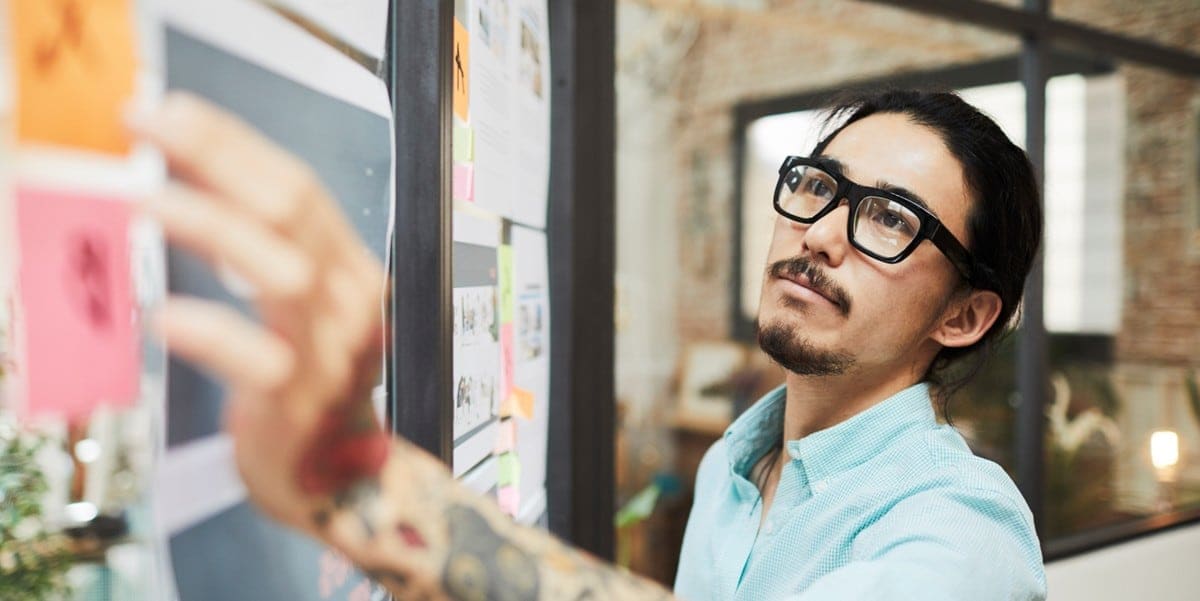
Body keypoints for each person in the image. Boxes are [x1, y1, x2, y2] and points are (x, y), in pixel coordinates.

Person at [133, 87, 1045, 600]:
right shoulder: (741, 459)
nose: (822, 233)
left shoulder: (968, 535)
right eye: (818, 186)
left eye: (889, 217)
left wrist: (360, 478)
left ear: (962, 316)